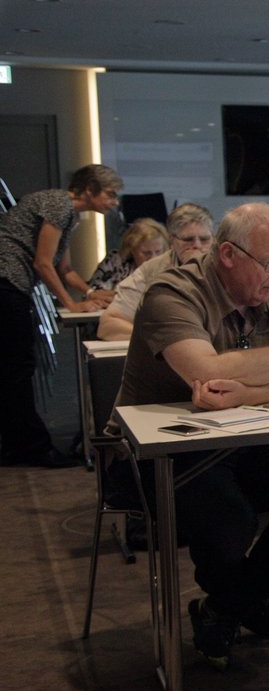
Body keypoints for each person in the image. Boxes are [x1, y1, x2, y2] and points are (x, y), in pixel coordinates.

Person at [109, 202, 269, 670]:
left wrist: (243, 393)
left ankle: (226, 603)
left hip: (242, 438)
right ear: (227, 255)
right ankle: (242, 597)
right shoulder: (170, 292)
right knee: (230, 516)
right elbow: (207, 370)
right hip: (154, 454)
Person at [0, 164, 121, 467]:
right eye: (110, 194)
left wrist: (91, 293)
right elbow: (43, 263)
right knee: (17, 369)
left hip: (10, 286)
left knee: (15, 369)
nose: (114, 201)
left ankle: (19, 445)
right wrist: (72, 303)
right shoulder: (57, 204)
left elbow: (64, 269)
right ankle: (34, 448)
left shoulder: (68, 213)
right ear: (90, 190)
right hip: (6, 284)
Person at [98, 203, 216, 341]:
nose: (197, 245)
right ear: (172, 241)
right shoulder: (151, 270)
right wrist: (165, 340)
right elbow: (108, 325)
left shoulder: (229, 265)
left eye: (204, 239)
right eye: (188, 239)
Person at [87, 217, 168, 297]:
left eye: (158, 251)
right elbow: (93, 293)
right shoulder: (115, 261)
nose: (153, 258)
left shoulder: (170, 266)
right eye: (146, 253)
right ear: (132, 248)